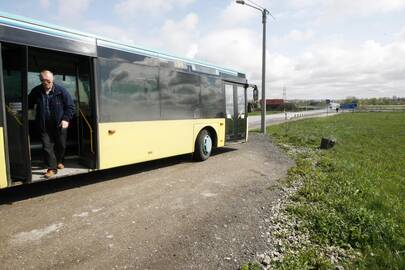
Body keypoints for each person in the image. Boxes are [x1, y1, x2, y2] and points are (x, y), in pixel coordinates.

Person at [28, 70, 75, 178]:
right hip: (43, 125)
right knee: (47, 147)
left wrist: (66, 119)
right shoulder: (36, 91)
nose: (45, 82)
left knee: (61, 145)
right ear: (40, 80)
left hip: (59, 125)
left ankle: (59, 160)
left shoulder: (61, 91)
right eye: (43, 80)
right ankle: (52, 168)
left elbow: (70, 107)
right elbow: (28, 103)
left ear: (52, 79)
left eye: (48, 80)